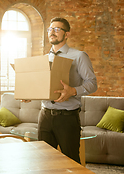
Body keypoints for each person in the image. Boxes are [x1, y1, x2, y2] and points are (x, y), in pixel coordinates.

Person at [38, 17, 97, 164]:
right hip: (44, 116)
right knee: (44, 162)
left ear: (67, 34)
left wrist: (73, 91)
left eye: (57, 29)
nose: (52, 32)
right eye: (50, 29)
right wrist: (29, 94)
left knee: (71, 163)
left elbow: (92, 84)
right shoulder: (44, 59)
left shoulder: (79, 56)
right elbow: (42, 85)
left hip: (67, 118)